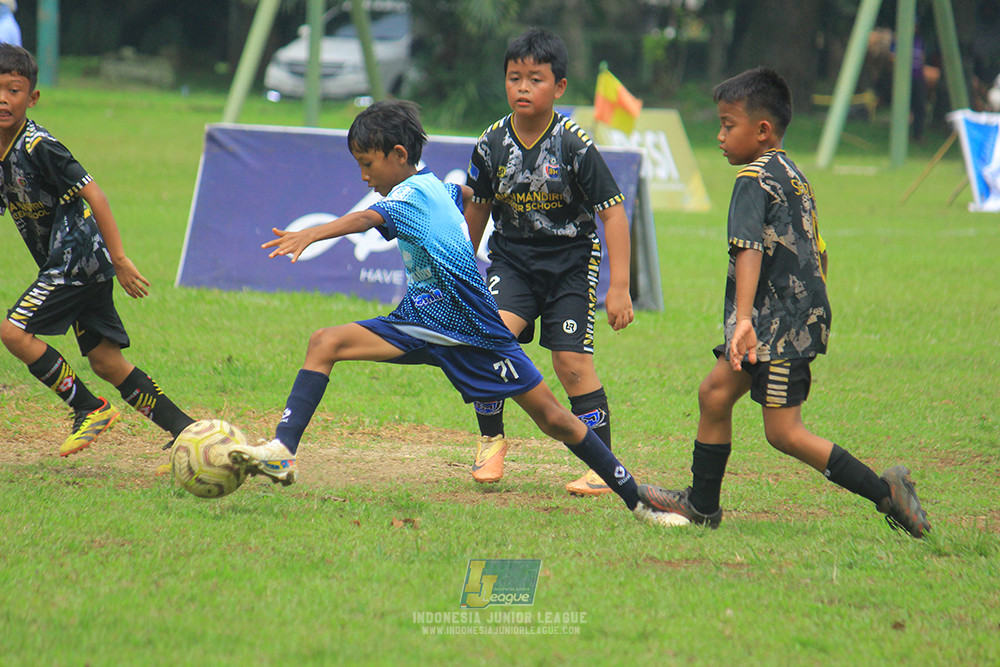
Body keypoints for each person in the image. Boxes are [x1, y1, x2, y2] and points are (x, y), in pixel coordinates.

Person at [229, 99, 675, 526]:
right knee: (324, 342)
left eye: (368, 164)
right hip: (419, 323)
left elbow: (366, 220)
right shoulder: (432, 187)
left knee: (554, 419)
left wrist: (313, 233)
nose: (363, 176)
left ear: (398, 155)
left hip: (473, 332)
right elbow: (463, 193)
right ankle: (284, 450)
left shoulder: (409, 195)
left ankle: (635, 496)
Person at [636, 67, 931, 539]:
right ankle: (702, 505)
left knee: (784, 433)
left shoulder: (752, 179)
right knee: (714, 394)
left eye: (728, 125)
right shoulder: (794, 174)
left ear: (762, 131)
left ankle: (886, 492)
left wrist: (746, 321)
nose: (719, 136)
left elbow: (748, 248)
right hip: (788, 321)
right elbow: (820, 249)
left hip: (773, 328)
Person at [0, 44, 195, 456]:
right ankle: (188, 431)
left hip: (76, 259)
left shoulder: (39, 147)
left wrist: (120, 259)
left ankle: (90, 407)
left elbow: (97, 196)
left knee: (14, 332)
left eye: (14, 90)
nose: (3, 98)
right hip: (73, 265)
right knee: (107, 362)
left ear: (32, 98)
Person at [463, 28, 634, 495]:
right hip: (512, 261)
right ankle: (492, 442)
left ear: (558, 87)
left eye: (534, 79)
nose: (522, 87)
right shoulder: (490, 143)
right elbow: (477, 204)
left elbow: (613, 210)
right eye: (514, 77)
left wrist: (619, 287)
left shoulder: (574, 145)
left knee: (571, 364)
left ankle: (601, 464)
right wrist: (459, 267)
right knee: (490, 339)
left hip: (570, 267)